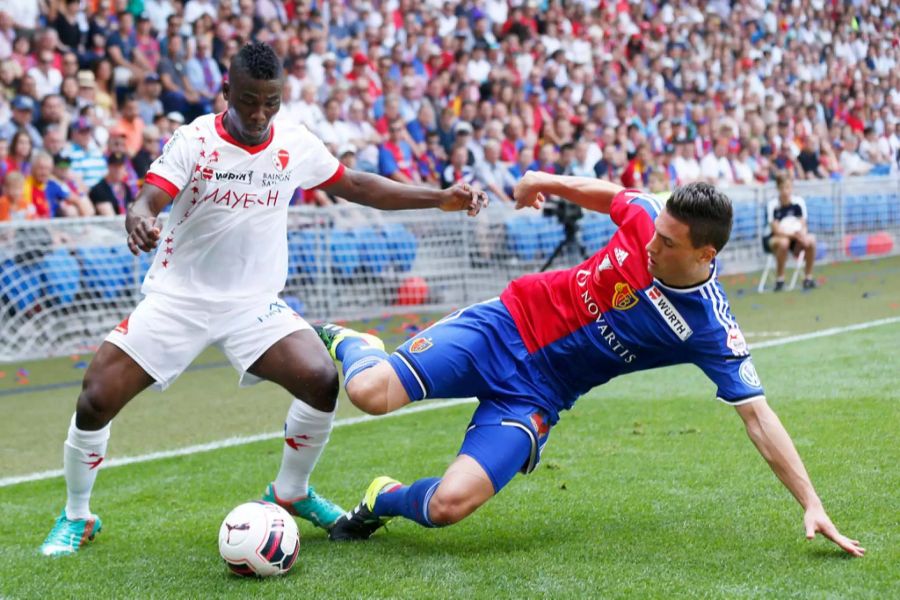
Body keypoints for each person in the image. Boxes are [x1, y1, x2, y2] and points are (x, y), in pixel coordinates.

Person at [39, 41, 487, 557]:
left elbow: (359, 186)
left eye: (270, 102)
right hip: (178, 299)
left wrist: (439, 197)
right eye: (248, 100)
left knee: (320, 378)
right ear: (225, 90)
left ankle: (291, 491)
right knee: (96, 396)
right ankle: (78, 515)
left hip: (253, 302)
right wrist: (140, 217)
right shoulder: (195, 140)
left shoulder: (293, 143)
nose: (258, 113)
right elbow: (149, 197)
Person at [316, 172, 864, 558]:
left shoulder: (708, 327)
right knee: (369, 394)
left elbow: (758, 418)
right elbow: (611, 197)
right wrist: (543, 181)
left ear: (705, 255)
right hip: (502, 326)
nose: (651, 241)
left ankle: (380, 497)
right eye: (655, 229)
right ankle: (355, 340)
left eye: (667, 242)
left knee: (448, 507)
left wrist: (812, 503)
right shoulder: (650, 217)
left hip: (538, 395)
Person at [763, 171, 817, 291]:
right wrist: (794, 235)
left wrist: (802, 234)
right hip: (775, 239)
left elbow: (803, 224)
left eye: (788, 187)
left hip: (796, 237)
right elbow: (776, 230)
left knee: (811, 240)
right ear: (778, 188)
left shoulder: (799, 203)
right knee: (784, 242)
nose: (785, 191)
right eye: (782, 188)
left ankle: (808, 278)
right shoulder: (773, 205)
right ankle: (780, 280)